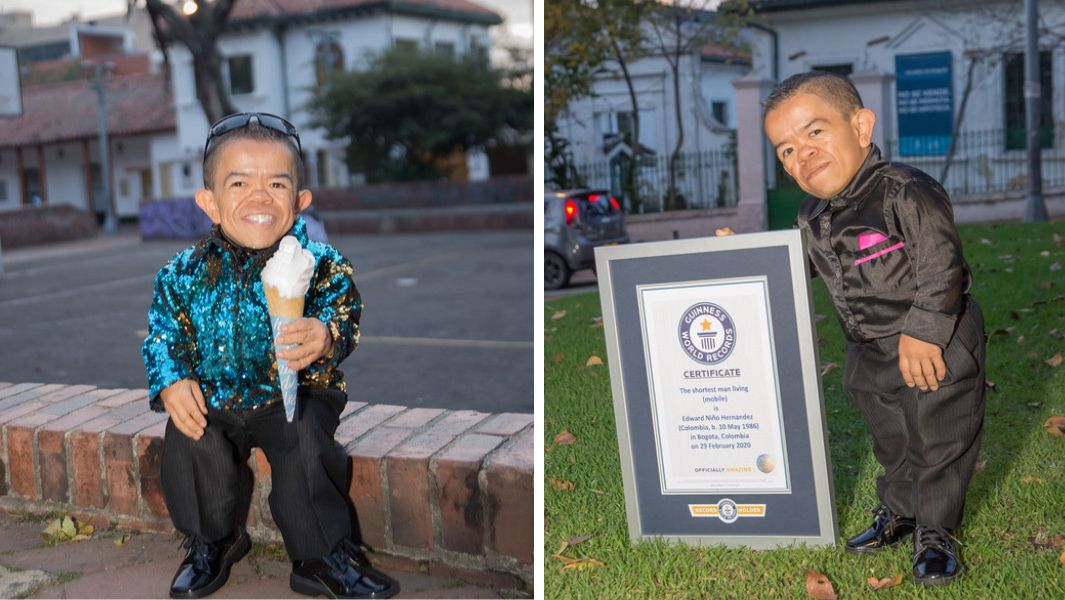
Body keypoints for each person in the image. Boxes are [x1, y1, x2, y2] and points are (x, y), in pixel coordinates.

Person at [142, 112, 397, 599]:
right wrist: (171, 378)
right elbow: (162, 333)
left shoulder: (320, 265)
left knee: (305, 443)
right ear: (210, 203)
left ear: (299, 202)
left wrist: (326, 334)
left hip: (294, 395)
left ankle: (319, 556)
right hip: (215, 397)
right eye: (239, 183)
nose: (259, 197)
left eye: (276, 184)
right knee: (190, 437)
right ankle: (212, 541)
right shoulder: (182, 273)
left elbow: (345, 313)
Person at [763, 72, 986, 586]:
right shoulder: (811, 214)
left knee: (937, 435)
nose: (803, 153)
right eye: (787, 150)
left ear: (861, 126)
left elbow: (941, 263)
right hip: (867, 347)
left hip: (932, 339)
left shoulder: (904, 191)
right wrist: (744, 254)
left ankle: (936, 530)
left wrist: (925, 331)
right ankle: (902, 511)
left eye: (815, 132)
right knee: (892, 438)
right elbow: (797, 264)